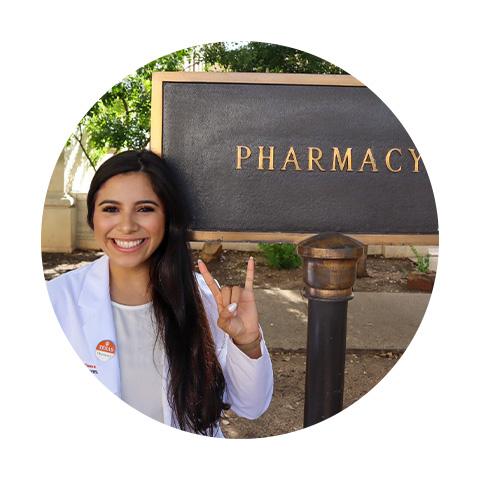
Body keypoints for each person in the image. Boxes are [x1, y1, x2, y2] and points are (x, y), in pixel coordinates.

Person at [47, 150, 273, 437]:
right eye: (110, 209)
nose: (127, 225)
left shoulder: (204, 298)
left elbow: (251, 407)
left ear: (167, 218)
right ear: (92, 216)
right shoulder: (56, 302)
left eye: (145, 209)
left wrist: (248, 342)